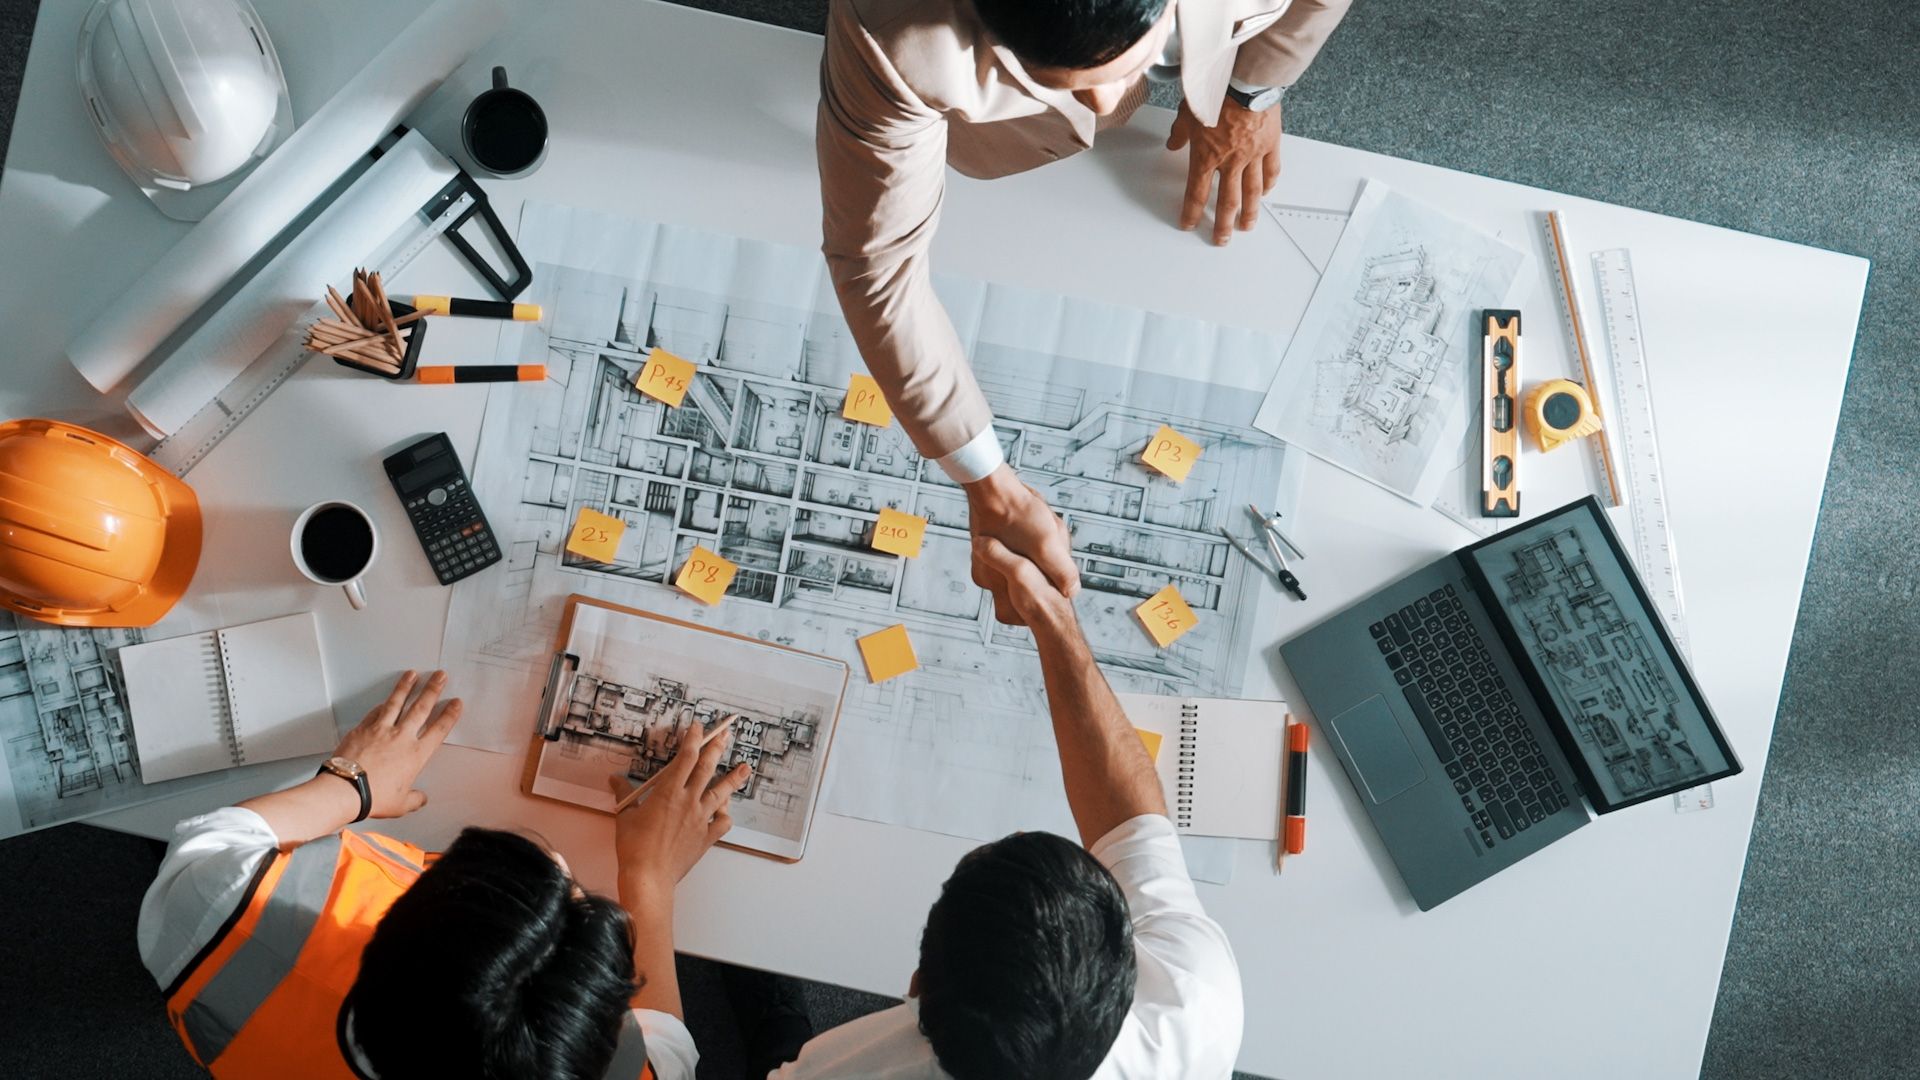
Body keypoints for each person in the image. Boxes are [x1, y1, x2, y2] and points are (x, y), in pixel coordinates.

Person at [818, 0, 1350, 626]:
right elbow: (876, 265)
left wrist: (1249, 90)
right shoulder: (891, 35)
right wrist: (992, 486)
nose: (1102, 107)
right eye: (1057, 81)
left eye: (1136, 61)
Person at [771, 536, 1244, 1079]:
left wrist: (648, 882)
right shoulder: (1196, 1003)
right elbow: (1133, 826)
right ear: (1125, 969)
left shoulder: (848, 1071)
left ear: (916, 990)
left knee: (778, 1043)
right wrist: (1051, 619)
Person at [138, 669, 748, 1079]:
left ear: (385, 935)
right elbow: (669, 1052)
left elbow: (207, 850)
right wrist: (649, 878)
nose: (562, 866)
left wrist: (350, 785)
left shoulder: (218, 916)